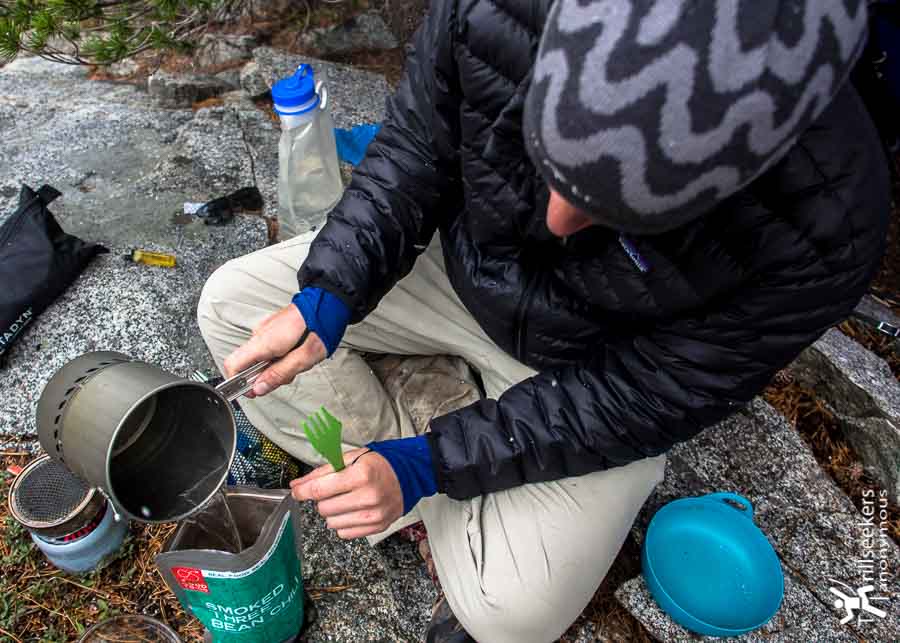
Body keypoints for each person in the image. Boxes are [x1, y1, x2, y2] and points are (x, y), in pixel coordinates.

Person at [198, 1, 890, 641]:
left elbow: (647, 397)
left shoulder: (826, 227)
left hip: (596, 367)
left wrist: (428, 463)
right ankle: (431, 463)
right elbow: (415, 151)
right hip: (458, 272)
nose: (556, 219)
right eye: (546, 156)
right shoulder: (497, 11)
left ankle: (421, 447)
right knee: (230, 310)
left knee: (513, 616)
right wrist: (330, 293)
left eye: (616, 216)